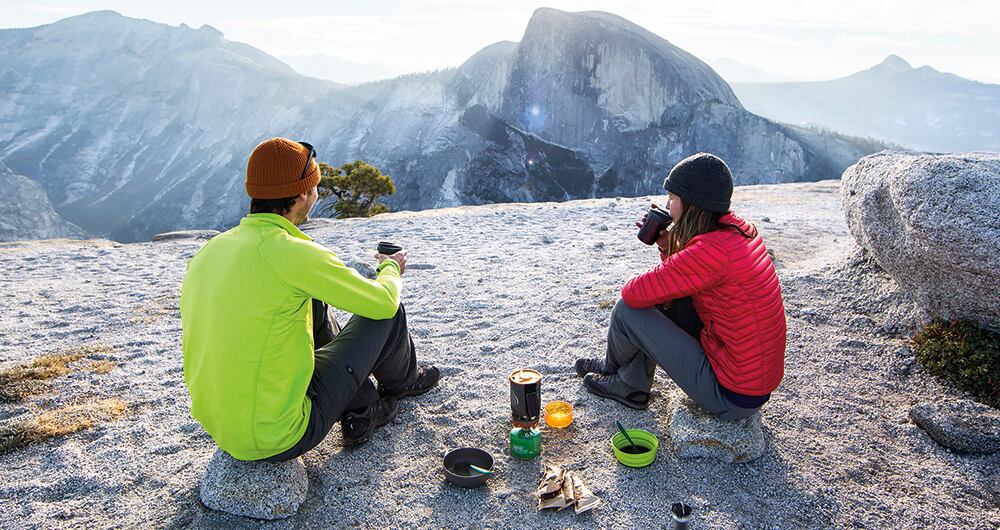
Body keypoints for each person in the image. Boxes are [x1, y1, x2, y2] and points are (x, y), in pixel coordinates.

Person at [181, 137, 439, 461]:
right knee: (388, 313)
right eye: (316, 185)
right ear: (303, 194)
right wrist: (390, 268)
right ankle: (404, 383)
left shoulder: (211, 251)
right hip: (279, 435)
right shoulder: (292, 253)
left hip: (222, 427)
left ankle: (361, 408)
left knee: (310, 300)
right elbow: (382, 301)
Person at [576, 152, 785, 420]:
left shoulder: (710, 251)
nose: (667, 205)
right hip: (750, 379)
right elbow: (685, 279)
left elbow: (633, 293)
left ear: (692, 204)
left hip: (732, 395)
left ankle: (612, 369)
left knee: (630, 308)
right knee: (664, 299)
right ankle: (630, 384)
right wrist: (667, 245)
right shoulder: (738, 230)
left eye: (673, 198)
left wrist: (669, 252)